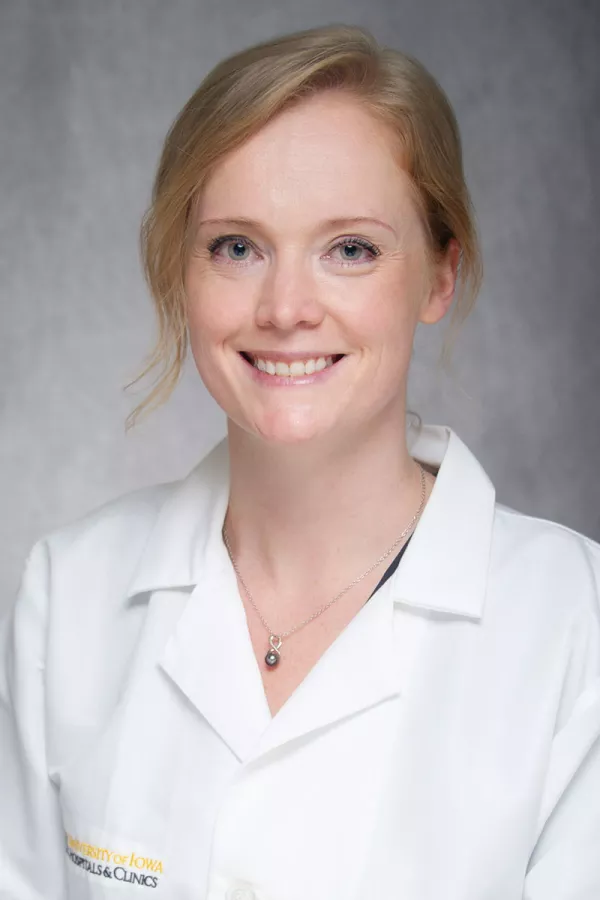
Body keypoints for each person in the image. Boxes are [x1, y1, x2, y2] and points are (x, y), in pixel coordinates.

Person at [1, 23, 599, 900]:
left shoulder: (577, 626)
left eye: (350, 249)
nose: (285, 308)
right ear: (181, 272)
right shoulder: (71, 595)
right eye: (236, 248)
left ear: (440, 276)